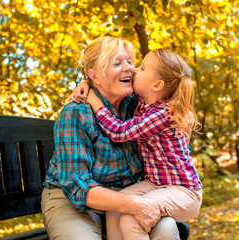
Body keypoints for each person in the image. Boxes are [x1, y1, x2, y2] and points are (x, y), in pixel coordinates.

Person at [41, 36, 181, 240]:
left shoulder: (138, 105)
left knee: (166, 229)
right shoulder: (75, 114)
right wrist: (135, 204)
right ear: (94, 75)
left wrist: (87, 82)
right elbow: (77, 184)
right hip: (75, 201)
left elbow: (174, 85)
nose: (129, 69)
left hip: (127, 195)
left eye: (130, 62)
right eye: (117, 63)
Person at [70, 48, 202, 240]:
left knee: (131, 218)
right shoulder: (143, 102)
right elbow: (107, 83)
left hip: (183, 191)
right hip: (155, 184)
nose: (133, 70)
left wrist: (92, 99)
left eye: (141, 67)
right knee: (115, 208)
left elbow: (119, 131)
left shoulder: (163, 113)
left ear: (157, 85)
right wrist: (87, 83)